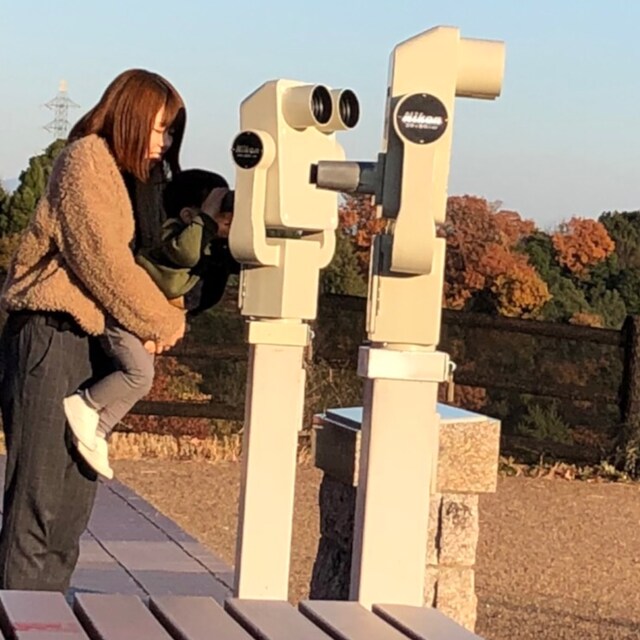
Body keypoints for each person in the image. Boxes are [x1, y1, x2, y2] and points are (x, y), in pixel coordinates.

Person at [0, 68, 210, 592]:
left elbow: (147, 263)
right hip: (50, 333)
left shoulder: (133, 179)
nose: (165, 143)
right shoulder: (86, 160)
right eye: (159, 129)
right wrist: (162, 322)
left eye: (171, 133)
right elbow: (103, 262)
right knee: (38, 506)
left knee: (71, 510)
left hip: (93, 341)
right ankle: (18, 620)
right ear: (130, 117)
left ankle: (47, 618)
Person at [63, 169, 235, 479]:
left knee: (143, 379)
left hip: (144, 320)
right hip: (123, 314)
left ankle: (98, 432)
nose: (227, 220)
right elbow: (187, 253)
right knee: (139, 375)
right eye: (222, 214)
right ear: (189, 215)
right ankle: (84, 405)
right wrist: (207, 218)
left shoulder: (212, 246)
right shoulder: (175, 235)